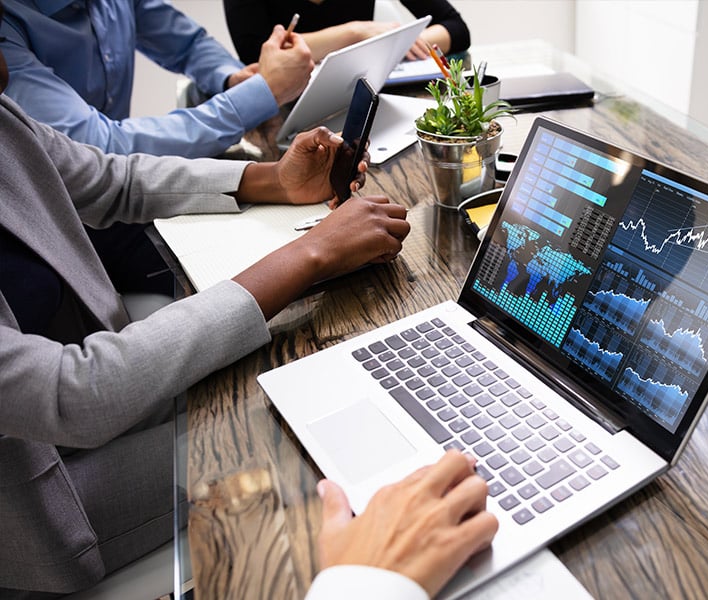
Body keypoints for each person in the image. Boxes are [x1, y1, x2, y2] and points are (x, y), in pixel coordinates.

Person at [0, 29, 497, 597]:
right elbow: (75, 392)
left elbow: (114, 179)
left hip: (92, 393)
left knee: (305, 379)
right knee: (296, 429)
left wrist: (275, 181)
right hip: (40, 501)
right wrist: (307, 255)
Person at [0, 0, 315, 158]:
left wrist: (233, 78)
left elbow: (189, 45)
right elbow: (97, 146)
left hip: (122, 181)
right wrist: (261, 94)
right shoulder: (8, 26)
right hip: (60, 214)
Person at [225, 0, 471, 65]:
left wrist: (397, 42)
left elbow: (456, 29)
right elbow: (256, 54)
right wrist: (355, 32)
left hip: (361, 98)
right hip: (281, 106)